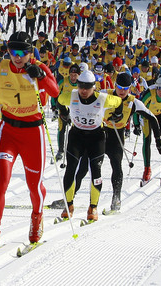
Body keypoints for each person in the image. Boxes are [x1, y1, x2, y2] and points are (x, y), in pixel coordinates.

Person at [0, 31, 59, 250]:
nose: (18, 57)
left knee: (34, 185)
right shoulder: (2, 68)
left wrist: (40, 76)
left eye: (23, 52)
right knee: (0, 183)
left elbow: (56, 91)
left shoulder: (39, 68)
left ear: (30, 52)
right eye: (13, 52)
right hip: (9, 132)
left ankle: (36, 218)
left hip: (33, 133)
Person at [58, 68, 123, 223]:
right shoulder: (72, 96)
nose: (84, 90)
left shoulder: (103, 98)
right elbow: (59, 99)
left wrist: (118, 114)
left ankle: (93, 207)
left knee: (96, 171)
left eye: (87, 87)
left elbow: (119, 101)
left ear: (94, 87)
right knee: (71, 169)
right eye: (81, 86)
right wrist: (63, 113)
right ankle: (69, 204)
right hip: (77, 136)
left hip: (96, 137)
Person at [102, 71, 161, 212]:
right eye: (120, 88)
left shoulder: (133, 102)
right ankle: (72, 199)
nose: (122, 91)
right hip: (101, 134)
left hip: (117, 136)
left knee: (117, 166)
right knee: (88, 164)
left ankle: (116, 198)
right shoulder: (105, 94)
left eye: (126, 88)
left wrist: (159, 140)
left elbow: (152, 118)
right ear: (115, 85)